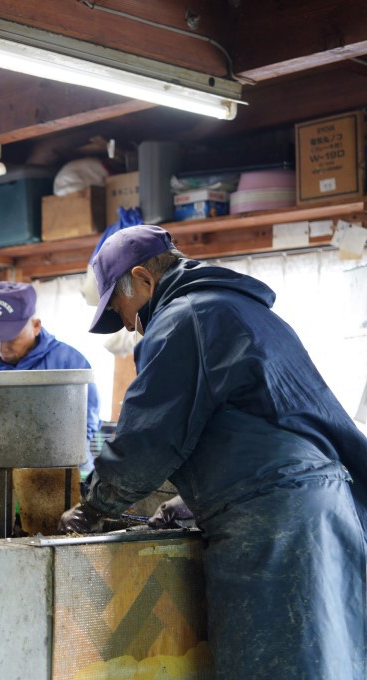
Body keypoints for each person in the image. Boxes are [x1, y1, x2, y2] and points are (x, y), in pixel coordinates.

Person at [58, 225, 367, 678]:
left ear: (144, 279)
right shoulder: (236, 309)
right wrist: (197, 499)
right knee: (330, 661)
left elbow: (148, 438)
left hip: (275, 525)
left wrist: (94, 505)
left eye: (123, 310)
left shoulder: (184, 319)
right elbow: (261, 421)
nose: (128, 324)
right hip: (323, 508)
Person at [0, 280, 101, 471]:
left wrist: (57, 457)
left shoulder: (70, 362)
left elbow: (86, 422)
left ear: (36, 326)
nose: (1, 347)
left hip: (59, 469)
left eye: (10, 337)